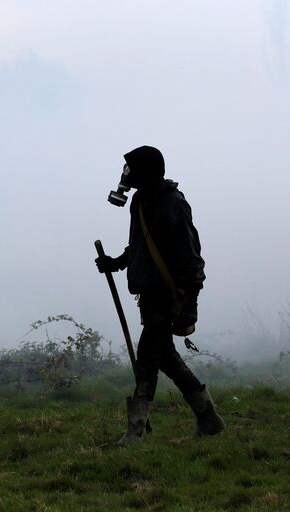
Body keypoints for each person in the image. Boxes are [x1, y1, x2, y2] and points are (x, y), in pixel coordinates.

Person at [95, 145, 225, 444]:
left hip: (168, 296)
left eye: (131, 168)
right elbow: (142, 246)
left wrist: (190, 300)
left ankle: (135, 432)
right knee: (166, 358)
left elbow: (191, 254)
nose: (125, 175)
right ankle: (209, 419)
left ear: (146, 170)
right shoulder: (141, 201)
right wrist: (116, 263)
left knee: (147, 359)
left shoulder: (173, 203)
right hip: (149, 295)